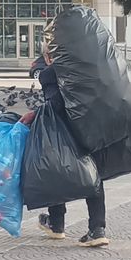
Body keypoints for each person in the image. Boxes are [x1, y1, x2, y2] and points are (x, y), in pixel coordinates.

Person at [23, 45, 108, 248]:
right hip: (89, 130)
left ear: (49, 56)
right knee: (93, 177)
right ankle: (97, 229)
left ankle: (57, 224)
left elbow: (55, 104)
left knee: (54, 171)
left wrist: (33, 115)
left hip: (63, 134)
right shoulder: (85, 69)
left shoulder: (49, 74)